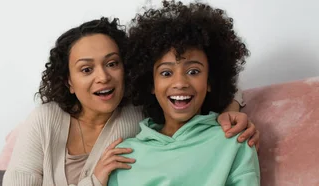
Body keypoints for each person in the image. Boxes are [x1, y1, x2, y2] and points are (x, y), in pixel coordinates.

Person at [2, 17, 258, 186]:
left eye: (112, 64)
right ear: (68, 80)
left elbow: (190, 86)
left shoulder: (137, 113)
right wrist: (95, 180)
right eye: (86, 69)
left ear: (129, 69)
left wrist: (231, 111)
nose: (103, 77)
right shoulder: (44, 119)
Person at [108, 1, 260, 185]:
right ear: (151, 84)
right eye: (166, 73)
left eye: (193, 71)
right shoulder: (124, 154)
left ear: (210, 81)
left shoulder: (234, 141)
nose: (180, 83)